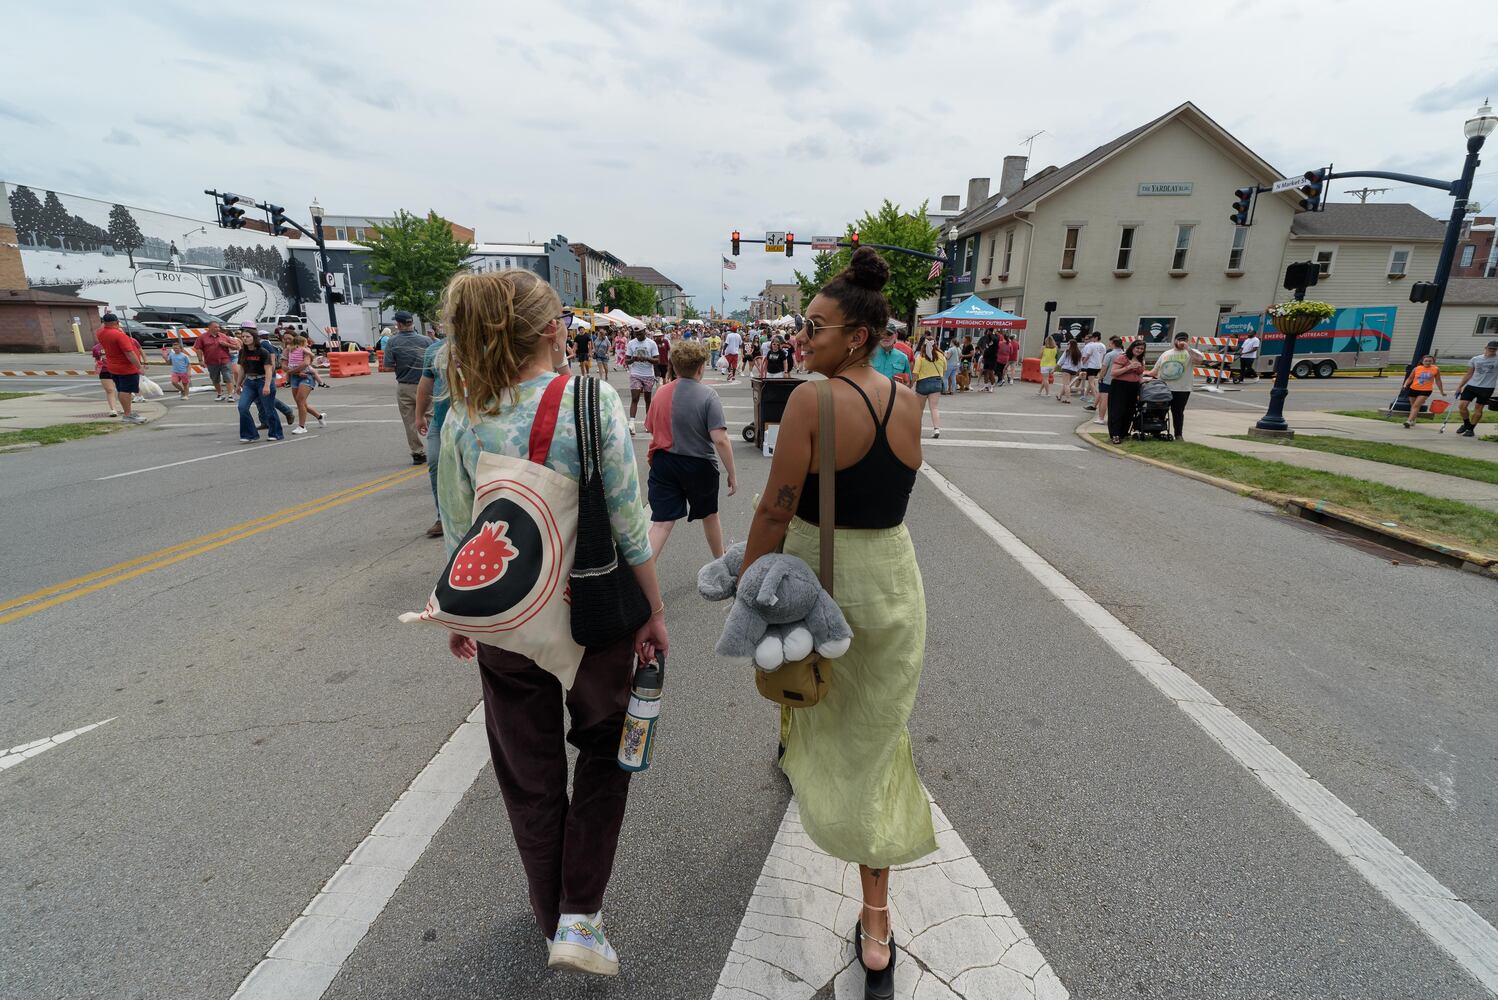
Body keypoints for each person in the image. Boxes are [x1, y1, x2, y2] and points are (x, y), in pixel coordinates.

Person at [437, 269, 666, 978]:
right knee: (606, 752)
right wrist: (653, 613)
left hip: (508, 621)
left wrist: (458, 611)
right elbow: (630, 521)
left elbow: (458, 527)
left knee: (529, 775)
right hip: (594, 615)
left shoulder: (462, 414)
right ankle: (581, 913)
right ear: (547, 329)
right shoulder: (591, 399)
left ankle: (551, 915)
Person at [739, 248, 935, 994]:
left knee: (802, 675)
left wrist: (750, 583)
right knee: (878, 736)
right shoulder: (910, 401)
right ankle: (877, 922)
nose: (801, 336)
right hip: (893, 580)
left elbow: (775, 507)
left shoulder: (808, 401)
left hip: (819, 580)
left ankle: (796, 747)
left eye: (814, 327)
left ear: (856, 335)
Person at [644, 339, 737, 561]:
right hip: (698, 464)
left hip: (663, 462)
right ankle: (719, 561)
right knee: (709, 515)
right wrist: (732, 473)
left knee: (662, 523)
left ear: (674, 367)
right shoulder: (708, 395)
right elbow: (720, 439)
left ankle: (643, 575)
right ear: (701, 367)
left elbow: (651, 428)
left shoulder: (661, 393)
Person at [380, 311, 434, 465]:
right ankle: (439, 446)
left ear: (400, 324)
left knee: (409, 421)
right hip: (427, 383)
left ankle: (418, 453)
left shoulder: (392, 342)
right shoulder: (426, 341)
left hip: (405, 385)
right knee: (432, 417)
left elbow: (388, 367)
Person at [415, 332, 450, 538]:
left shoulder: (482, 346)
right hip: (440, 421)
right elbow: (425, 386)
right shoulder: (434, 350)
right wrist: (419, 415)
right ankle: (442, 517)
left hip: (474, 422)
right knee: (436, 463)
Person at [95, 313, 148, 423]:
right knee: (126, 391)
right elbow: (129, 353)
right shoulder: (119, 335)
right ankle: (127, 415)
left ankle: (128, 413)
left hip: (113, 366)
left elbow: (101, 327)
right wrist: (139, 366)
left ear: (104, 323)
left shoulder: (101, 333)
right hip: (126, 367)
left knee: (121, 389)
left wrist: (106, 321)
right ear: (116, 322)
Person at [1151, 331, 1205, 438]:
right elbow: (1155, 370)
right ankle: (1156, 432)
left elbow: (1199, 360)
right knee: (1160, 411)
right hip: (1164, 388)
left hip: (1182, 389)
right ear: (1175, 340)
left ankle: (1178, 435)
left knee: (1178, 412)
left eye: (1184, 340)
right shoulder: (1166, 353)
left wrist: (1188, 349)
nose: (1181, 342)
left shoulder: (1191, 352)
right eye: (1179, 339)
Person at [234, 328, 283, 442]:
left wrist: (267, 385)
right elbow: (242, 369)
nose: (245, 339)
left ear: (254, 338)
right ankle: (249, 435)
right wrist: (238, 384)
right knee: (242, 407)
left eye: (248, 337)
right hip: (249, 382)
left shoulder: (263, 351)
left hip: (263, 380)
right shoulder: (243, 352)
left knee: (268, 409)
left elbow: (269, 370)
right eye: (243, 337)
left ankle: (276, 433)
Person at [1453, 340, 1498, 437]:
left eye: (1494, 349)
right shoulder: (1476, 359)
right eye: (1490, 348)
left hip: (1487, 388)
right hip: (1471, 386)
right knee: (1462, 406)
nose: (1492, 350)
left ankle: (1471, 429)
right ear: (1485, 348)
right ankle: (1466, 424)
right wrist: (1459, 387)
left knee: (1478, 409)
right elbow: (1469, 374)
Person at [284, 334, 325, 434]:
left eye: (289, 339)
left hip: (306, 376)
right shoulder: (287, 350)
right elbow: (284, 366)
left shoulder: (305, 350)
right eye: (285, 339)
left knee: (300, 400)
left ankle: (302, 427)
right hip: (295, 377)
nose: (287, 340)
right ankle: (319, 416)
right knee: (301, 403)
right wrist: (296, 372)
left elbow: (306, 363)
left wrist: (292, 371)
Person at [1107, 339, 1147, 443]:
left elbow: (1140, 374)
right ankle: (1115, 434)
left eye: (1142, 349)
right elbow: (1114, 372)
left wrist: (1143, 382)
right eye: (1137, 348)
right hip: (1120, 386)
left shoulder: (1141, 360)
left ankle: (1124, 433)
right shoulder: (1123, 357)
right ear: (1132, 347)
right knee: (1117, 410)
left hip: (1133, 387)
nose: (1139, 350)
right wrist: (1129, 367)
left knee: (1129, 410)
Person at [913, 334, 946, 438]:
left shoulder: (921, 357)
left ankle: (916, 430)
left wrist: (911, 383)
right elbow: (944, 369)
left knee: (919, 409)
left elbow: (915, 373)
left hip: (923, 383)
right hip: (936, 382)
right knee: (934, 408)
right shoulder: (941, 355)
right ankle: (936, 429)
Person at [625, 327, 659, 426]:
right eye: (636, 334)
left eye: (640, 333)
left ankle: (648, 423)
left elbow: (657, 360)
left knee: (648, 399)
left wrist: (647, 358)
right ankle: (631, 423)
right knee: (635, 398)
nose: (638, 336)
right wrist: (633, 359)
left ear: (644, 332)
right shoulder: (631, 343)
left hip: (648, 374)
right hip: (636, 373)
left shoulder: (651, 343)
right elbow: (626, 361)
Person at [196, 320, 237, 401]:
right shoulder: (202, 337)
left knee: (228, 377)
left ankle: (230, 395)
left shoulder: (224, 336)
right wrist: (200, 360)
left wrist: (227, 344)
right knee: (215, 379)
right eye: (216, 327)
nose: (218, 329)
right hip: (211, 362)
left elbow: (236, 346)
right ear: (209, 327)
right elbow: (198, 349)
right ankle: (220, 394)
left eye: (218, 327)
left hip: (225, 360)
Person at [1400, 355, 1444, 428]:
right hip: (1413, 389)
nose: (1428, 362)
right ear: (1422, 361)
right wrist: (1405, 385)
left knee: (1416, 405)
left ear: (1433, 362)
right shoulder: (1416, 369)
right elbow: (1410, 378)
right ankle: (1413, 420)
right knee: (1413, 406)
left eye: (1430, 361)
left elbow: (1438, 380)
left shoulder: (1435, 369)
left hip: (1426, 390)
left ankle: (1409, 421)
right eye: (1426, 361)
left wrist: (1441, 391)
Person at [1094, 336, 1125, 425]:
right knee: (1117, 401)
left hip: (1107, 380)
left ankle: (1101, 418)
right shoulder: (1124, 354)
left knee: (1104, 400)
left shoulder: (1110, 354)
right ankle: (1114, 418)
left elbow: (1104, 368)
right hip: (1119, 381)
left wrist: (1100, 378)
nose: (1109, 345)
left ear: (1113, 344)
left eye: (1110, 343)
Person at [92, 338, 120, 417]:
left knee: (122, 389)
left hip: (118, 369)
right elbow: (97, 359)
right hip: (105, 370)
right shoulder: (96, 348)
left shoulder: (116, 345)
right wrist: (97, 365)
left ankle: (126, 407)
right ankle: (113, 409)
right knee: (110, 390)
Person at [1054, 338, 1083, 403]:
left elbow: (1060, 361)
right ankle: (1059, 395)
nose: (1067, 345)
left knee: (1066, 384)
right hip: (1074, 371)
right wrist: (1079, 371)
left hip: (1066, 369)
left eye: (1068, 344)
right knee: (1066, 384)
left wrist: (1054, 369)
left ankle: (1068, 398)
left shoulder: (1067, 351)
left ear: (1071, 344)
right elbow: (1080, 364)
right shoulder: (1079, 353)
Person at [1080, 331, 1106, 402]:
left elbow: (1087, 356)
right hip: (1099, 366)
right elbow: (1103, 356)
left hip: (1092, 366)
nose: (1092, 340)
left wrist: (1082, 363)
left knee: (1091, 383)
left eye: (1093, 338)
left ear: (1096, 338)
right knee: (1091, 381)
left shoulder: (1092, 345)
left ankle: (1095, 397)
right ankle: (1085, 395)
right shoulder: (1103, 345)